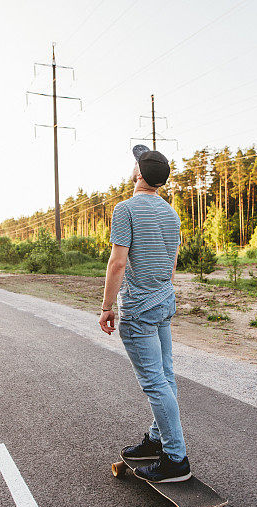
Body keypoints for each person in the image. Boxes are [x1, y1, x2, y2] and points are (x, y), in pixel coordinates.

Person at [99, 145, 190, 483]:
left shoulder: (125, 210)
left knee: (155, 383)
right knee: (165, 377)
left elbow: (117, 263)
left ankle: (175, 459)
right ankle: (156, 439)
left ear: (139, 173)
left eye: (135, 162)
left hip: (139, 309)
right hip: (165, 301)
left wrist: (107, 307)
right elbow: (172, 264)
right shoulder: (171, 213)